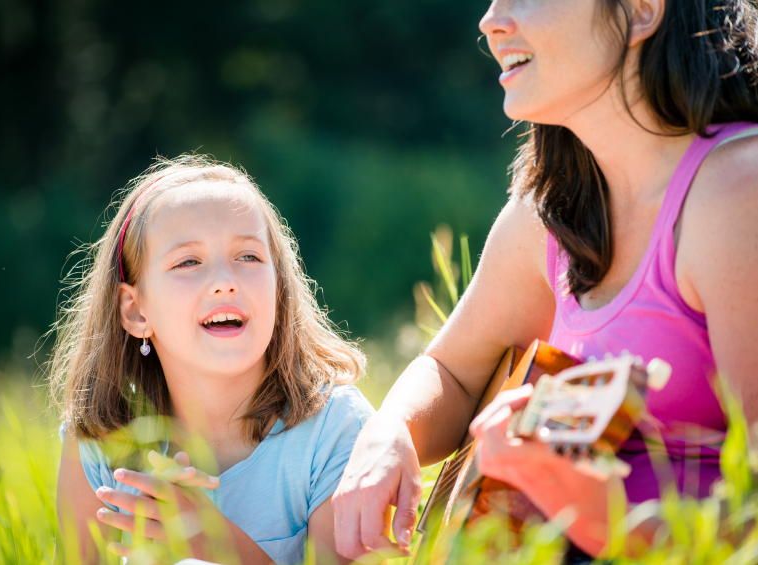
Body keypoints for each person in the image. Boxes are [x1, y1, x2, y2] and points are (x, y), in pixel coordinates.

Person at [333, 0, 758, 560]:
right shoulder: (550, 210)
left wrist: (601, 517)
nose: (490, 21)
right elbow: (453, 370)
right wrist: (392, 432)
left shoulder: (736, 193)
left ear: (639, 11)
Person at [49, 154, 374, 564]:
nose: (224, 281)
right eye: (188, 262)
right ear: (135, 311)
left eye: (249, 257)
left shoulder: (336, 428)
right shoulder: (100, 443)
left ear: (279, 287)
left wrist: (210, 540)